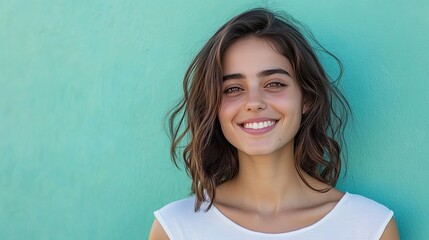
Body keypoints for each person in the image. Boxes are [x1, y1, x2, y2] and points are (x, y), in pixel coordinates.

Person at [149, 8, 399, 240]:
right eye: (233, 88)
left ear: (307, 99)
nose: (254, 102)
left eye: (274, 84)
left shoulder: (370, 226)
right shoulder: (175, 228)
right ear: (214, 107)